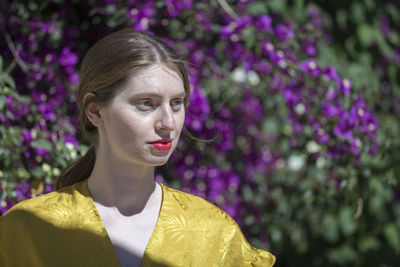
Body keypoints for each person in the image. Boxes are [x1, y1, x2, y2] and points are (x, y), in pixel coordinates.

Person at [0, 28, 276, 267]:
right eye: (147, 103)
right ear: (95, 111)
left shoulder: (213, 232)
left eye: (177, 103)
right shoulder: (29, 231)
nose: (168, 122)